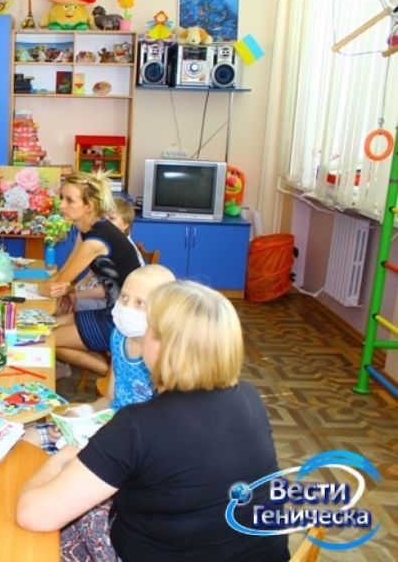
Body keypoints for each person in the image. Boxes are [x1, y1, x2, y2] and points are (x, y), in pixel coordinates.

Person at [17, 281, 290, 561]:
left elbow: (33, 514)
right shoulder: (249, 398)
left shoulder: (138, 425)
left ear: (162, 346)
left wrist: (60, 460)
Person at [24, 264, 175, 453]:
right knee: (27, 437)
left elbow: (161, 431)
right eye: (124, 297)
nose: (127, 307)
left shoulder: (165, 359)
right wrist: (80, 414)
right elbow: (110, 398)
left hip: (135, 442)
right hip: (106, 424)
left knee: (63, 459)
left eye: (139, 303)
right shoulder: (119, 337)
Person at [39, 172, 142, 375]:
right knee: (43, 327)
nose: (61, 206)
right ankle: (111, 372)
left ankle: (114, 376)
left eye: (70, 200)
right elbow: (64, 274)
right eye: (62, 198)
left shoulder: (95, 241)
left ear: (89, 206)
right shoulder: (89, 230)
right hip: (112, 311)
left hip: (122, 322)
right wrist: (66, 288)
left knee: (43, 339)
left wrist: (48, 287)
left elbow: (55, 285)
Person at [75, 197, 144, 312]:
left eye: (111, 218)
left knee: (65, 306)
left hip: (111, 304)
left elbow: (106, 290)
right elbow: (90, 275)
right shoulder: (104, 242)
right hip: (93, 292)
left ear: (125, 225)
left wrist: (75, 296)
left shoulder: (123, 251)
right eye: (104, 218)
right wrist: (75, 289)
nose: (105, 223)